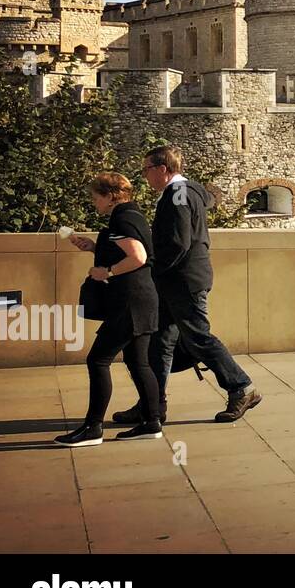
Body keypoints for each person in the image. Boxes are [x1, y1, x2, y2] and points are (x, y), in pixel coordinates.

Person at [114, 146, 260, 426]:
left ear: (162, 169)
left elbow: (179, 242)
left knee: (198, 337)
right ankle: (151, 405)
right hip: (177, 280)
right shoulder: (181, 193)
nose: (145, 177)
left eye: (147, 170)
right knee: (159, 343)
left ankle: (241, 388)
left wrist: (153, 267)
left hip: (183, 280)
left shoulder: (178, 194)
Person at [56, 173, 163, 446]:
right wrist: (94, 247)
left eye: (96, 197)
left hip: (129, 302)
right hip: (143, 299)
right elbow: (132, 251)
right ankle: (152, 422)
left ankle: (93, 428)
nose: (94, 203)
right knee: (138, 362)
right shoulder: (134, 216)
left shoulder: (121, 219)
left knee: (98, 360)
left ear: (109, 195)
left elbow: (137, 257)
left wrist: (107, 270)